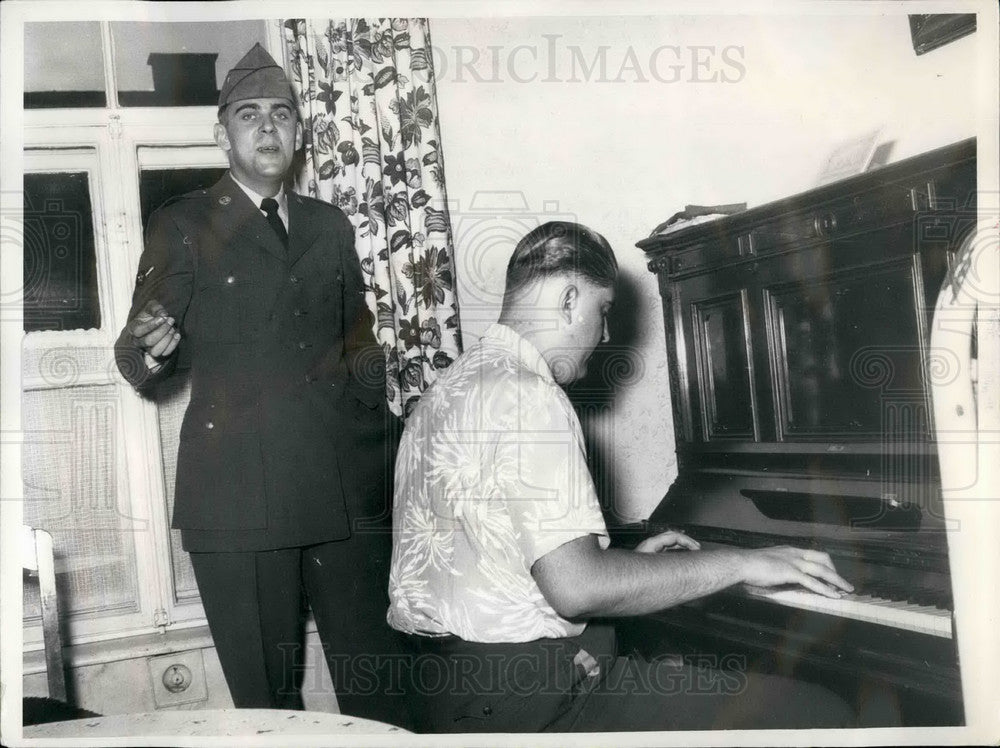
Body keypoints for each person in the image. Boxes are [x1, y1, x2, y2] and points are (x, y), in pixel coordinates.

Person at [387, 221, 856, 732]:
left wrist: (628, 569)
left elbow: (493, 562)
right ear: (569, 300)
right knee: (821, 712)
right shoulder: (530, 394)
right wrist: (744, 562)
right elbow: (577, 588)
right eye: (604, 310)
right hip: (528, 701)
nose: (606, 334)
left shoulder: (445, 390)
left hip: (441, 693)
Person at [115, 43, 407, 726]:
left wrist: (394, 441)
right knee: (269, 711)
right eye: (249, 115)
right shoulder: (184, 223)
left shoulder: (329, 225)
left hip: (347, 498)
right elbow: (135, 348)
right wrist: (149, 350)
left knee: (385, 691)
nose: (268, 127)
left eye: (282, 114)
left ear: (299, 133)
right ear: (223, 135)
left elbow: (359, 346)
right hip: (239, 501)